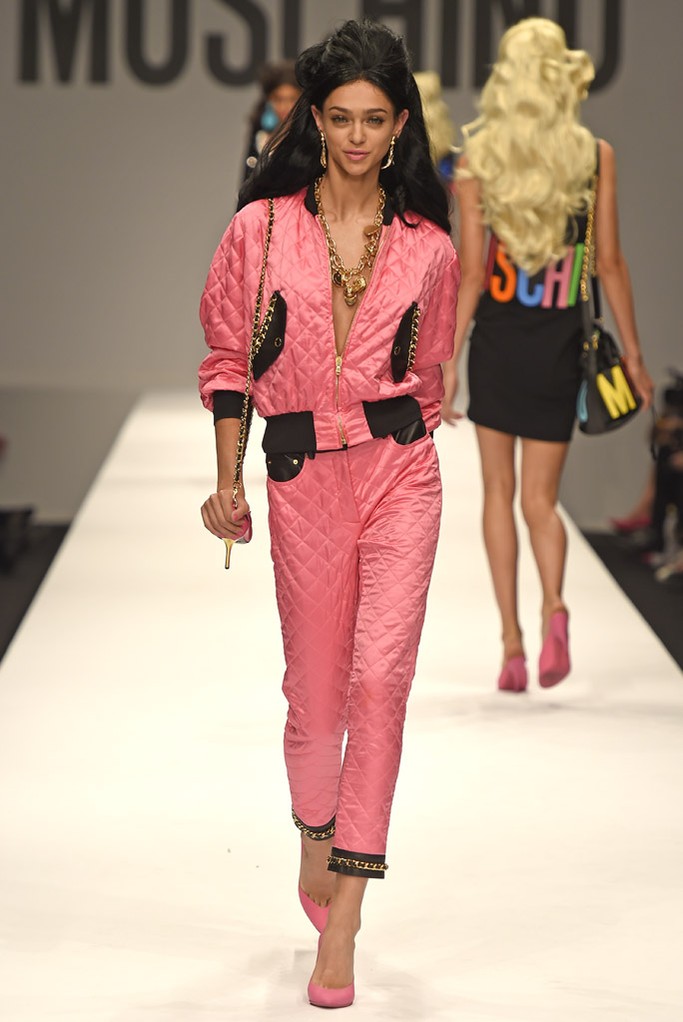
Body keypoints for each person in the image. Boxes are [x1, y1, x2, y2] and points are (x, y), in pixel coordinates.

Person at [199, 19, 459, 1008]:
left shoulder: (429, 247)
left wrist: (391, 426)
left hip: (400, 474)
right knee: (314, 700)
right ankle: (315, 830)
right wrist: (228, 481)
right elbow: (228, 360)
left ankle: (344, 916)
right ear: (314, 118)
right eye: (340, 117)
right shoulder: (258, 230)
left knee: (380, 683)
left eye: (374, 120)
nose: (355, 136)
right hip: (301, 476)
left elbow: (429, 377)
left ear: (399, 126)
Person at [441, 17, 653, 693]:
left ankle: (511, 645)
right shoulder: (593, 156)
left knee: (498, 494)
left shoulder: (478, 161)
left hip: (497, 346)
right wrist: (635, 358)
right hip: (559, 347)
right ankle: (554, 606)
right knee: (541, 500)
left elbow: (472, 276)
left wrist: (448, 363)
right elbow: (608, 264)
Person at [241, 61, 302, 183]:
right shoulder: (259, 137)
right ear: (269, 100)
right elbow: (245, 183)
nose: (284, 106)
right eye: (278, 99)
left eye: (292, 99)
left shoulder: (312, 138)